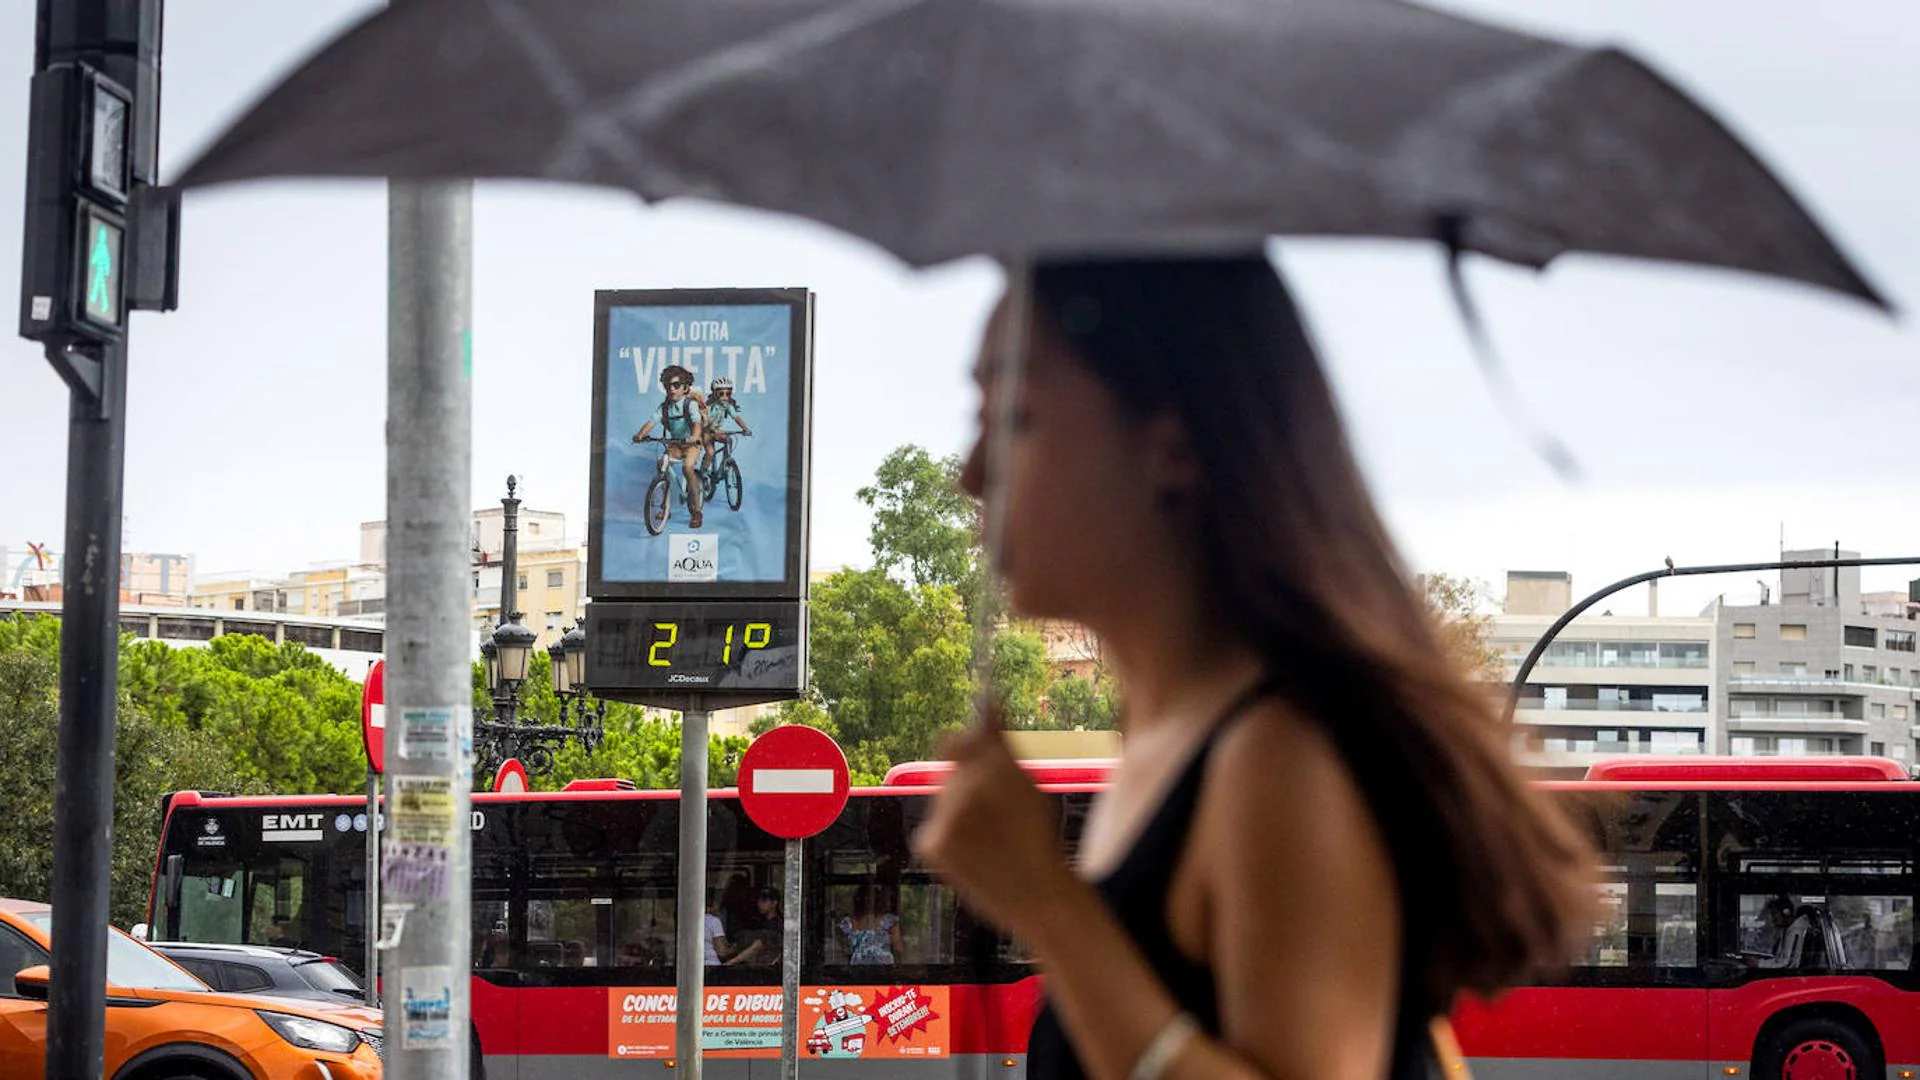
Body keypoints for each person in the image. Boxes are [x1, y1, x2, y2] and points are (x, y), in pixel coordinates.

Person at [910, 255, 1596, 1080]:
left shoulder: (1279, 758)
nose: (971, 473)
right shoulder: (1171, 738)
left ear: (1170, 448)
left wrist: (1050, 910)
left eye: (1015, 417)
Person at [631, 363, 705, 528]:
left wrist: (694, 437)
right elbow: (651, 422)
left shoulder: (690, 404)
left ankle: (697, 510)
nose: (672, 389)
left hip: (691, 444)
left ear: (685, 388)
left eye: (676, 385)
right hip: (675, 445)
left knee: (688, 468)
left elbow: (697, 424)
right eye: (668, 386)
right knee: (662, 464)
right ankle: (666, 507)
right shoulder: (664, 407)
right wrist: (640, 434)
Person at [701, 375, 753, 481]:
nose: (725, 397)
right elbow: (703, 421)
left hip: (716, 431)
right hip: (706, 432)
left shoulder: (727, 406)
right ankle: (704, 471)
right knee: (710, 452)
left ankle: (723, 465)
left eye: (728, 394)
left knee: (729, 440)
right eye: (721, 394)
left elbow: (736, 417)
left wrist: (745, 428)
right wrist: (709, 425)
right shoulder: (709, 407)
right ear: (715, 394)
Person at [836, 889, 904, 965]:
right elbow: (898, 949)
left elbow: (844, 950)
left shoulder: (849, 923)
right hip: (885, 970)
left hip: (856, 971)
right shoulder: (889, 921)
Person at [726, 887, 785, 967]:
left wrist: (730, 963)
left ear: (774, 903)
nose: (760, 904)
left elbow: (757, 945)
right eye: (759, 900)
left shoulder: (777, 924)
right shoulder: (758, 922)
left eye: (764, 901)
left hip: (769, 968)